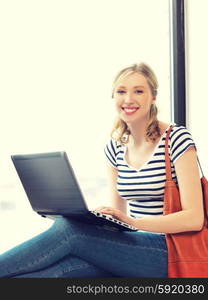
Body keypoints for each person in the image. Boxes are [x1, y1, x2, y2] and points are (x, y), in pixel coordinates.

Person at [0, 62, 204, 278]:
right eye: (121, 91)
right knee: (55, 273)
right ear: (113, 97)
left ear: (153, 97)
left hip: (169, 250)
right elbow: (119, 218)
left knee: (69, 231)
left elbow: (194, 218)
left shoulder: (177, 139)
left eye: (138, 91)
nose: (128, 99)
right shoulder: (115, 147)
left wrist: (134, 223)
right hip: (132, 247)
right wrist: (101, 219)